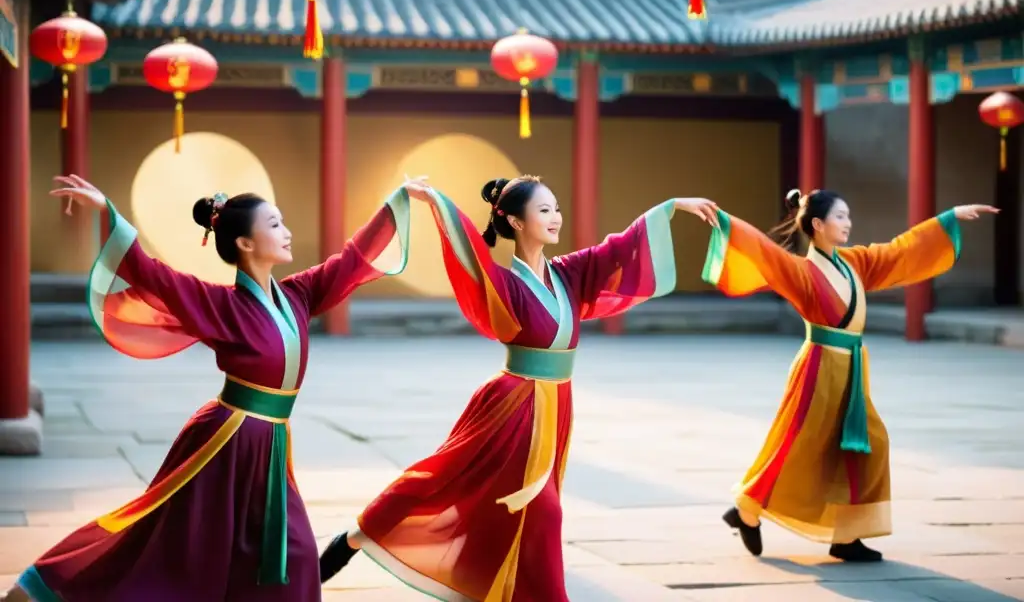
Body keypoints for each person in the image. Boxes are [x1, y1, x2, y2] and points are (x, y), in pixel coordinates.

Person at [4, 173, 413, 602]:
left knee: (293, 553)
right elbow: (152, 275)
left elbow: (349, 261)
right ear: (245, 243)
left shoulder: (299, 294)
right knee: (176, 548)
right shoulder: (220, 305)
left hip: (269, 446)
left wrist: (395, 205)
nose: (287, 232)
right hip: (224, 445)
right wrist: (109, 214)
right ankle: (49, 588)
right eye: (274, 224)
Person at [319, 175, 719, 601]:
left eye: (557, 208)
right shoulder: (504, 284)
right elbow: (468, 250)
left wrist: (669, 208)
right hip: (514, 407)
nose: (555, 217)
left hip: (556, 405)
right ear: (514, 220)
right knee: (477, 489)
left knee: (510, 511)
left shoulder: (569, 274)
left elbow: (616, 248)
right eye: (544, 210)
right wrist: (435, 201)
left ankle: (473, 581)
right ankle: (359, 534)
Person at [704, 188, 997, 563]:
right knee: (797, 448)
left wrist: (949, 219)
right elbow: (763, 251)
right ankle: (746, 510)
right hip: (818, 371)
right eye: (840, 217)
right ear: (817, 225)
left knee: (867, 445)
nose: (848, 223)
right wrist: (724, 222)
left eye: (848, 216)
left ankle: (846, 536)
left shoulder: (853, 263)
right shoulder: (800, 271)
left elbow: (898, 251)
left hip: (853, 371)